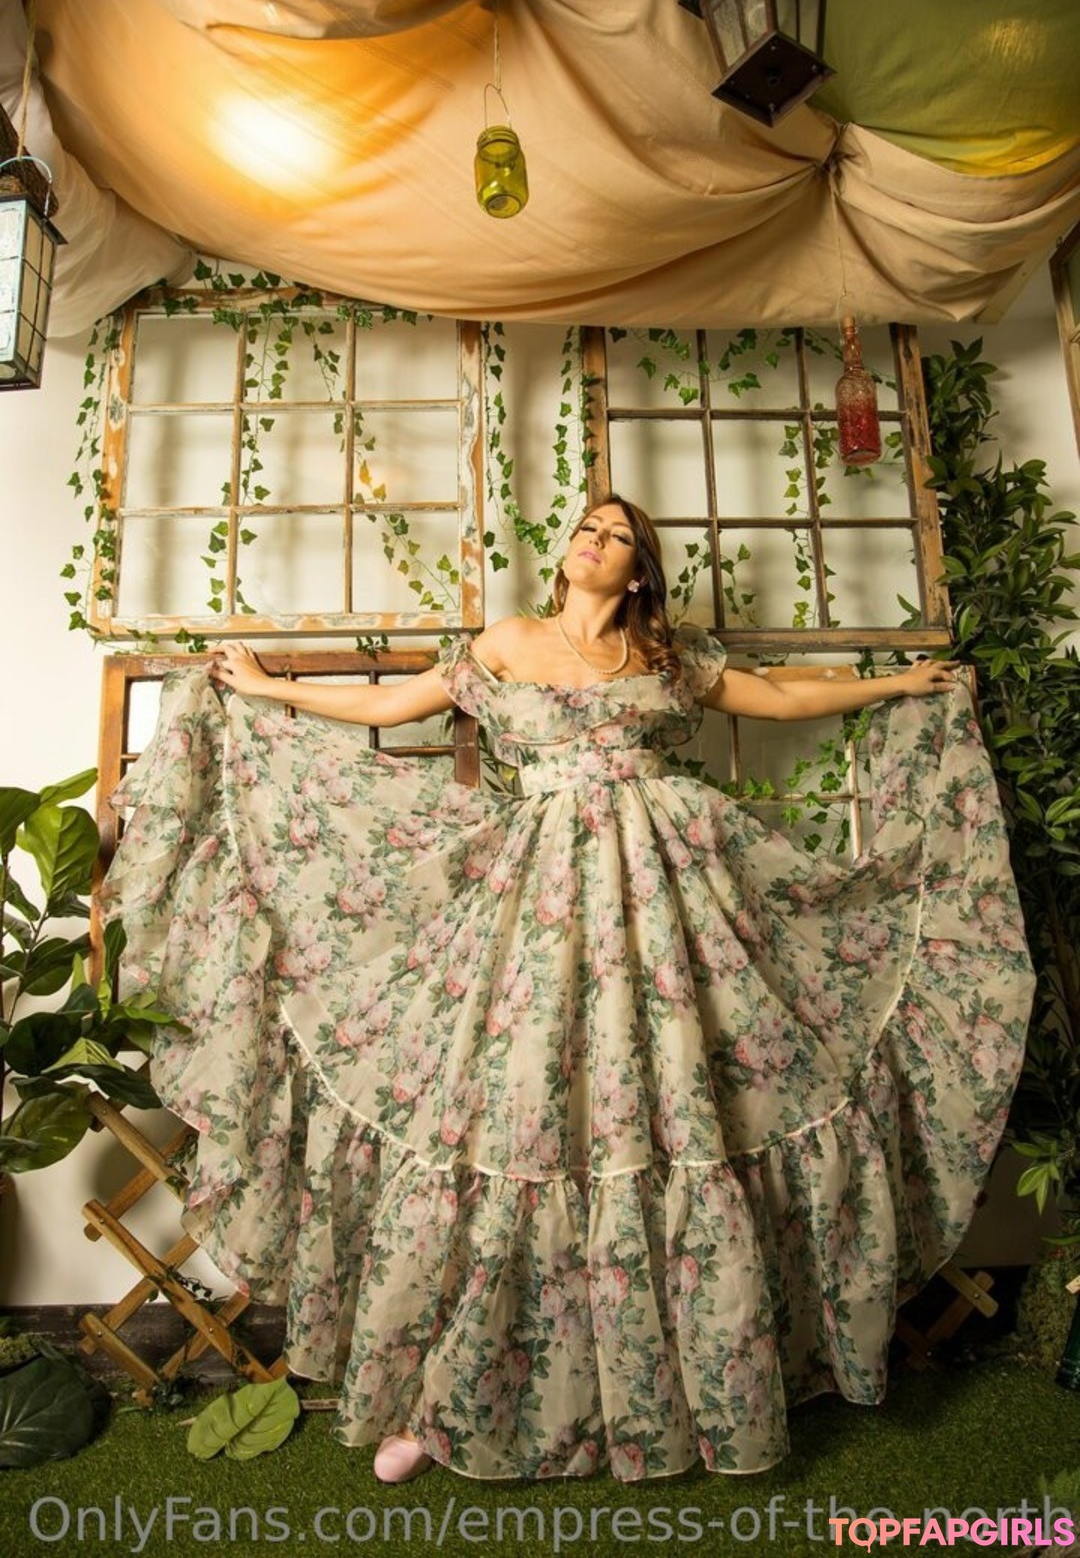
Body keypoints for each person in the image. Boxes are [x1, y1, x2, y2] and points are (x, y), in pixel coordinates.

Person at [103, 494, 1034, 1486]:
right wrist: (262, 686)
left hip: (669, 896)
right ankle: (436, 1400)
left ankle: (699, 1386)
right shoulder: (508, 641)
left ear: (639, 573)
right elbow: (389, 707)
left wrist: (900, 682)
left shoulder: (664, 655)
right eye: (587, 528)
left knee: (687, 1101)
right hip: (537, 895)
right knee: (511, 1112)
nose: (593, 540)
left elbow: (778, 697)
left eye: (617, 535)